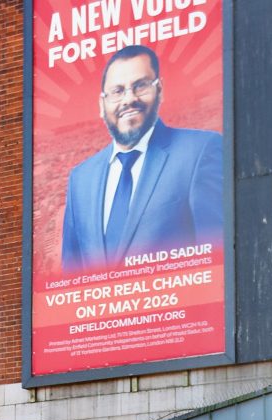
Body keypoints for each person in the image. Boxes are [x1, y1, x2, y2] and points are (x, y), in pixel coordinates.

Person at [60, 44, 223, 271]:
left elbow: (216, 259)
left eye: (140, 85)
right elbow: (71, 276)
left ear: (160, 90)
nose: (129, 99)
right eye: (117, 91)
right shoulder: (80, 179)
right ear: (102, 104)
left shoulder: (199, 152)